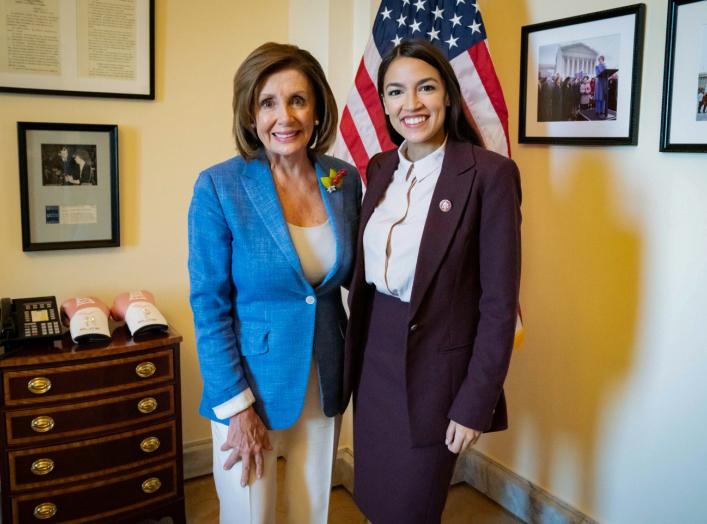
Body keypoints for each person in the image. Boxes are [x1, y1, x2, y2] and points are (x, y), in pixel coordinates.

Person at [344, 40, 521, 524]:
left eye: (426, 87)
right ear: (383, 103)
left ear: (448, 95)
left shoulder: (490, 175)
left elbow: (499, 304)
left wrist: (474, 403)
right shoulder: (380, 168)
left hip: (434, 375)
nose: (412, 104)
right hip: (373, 357)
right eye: (396, 92)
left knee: (413, 507)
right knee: (377, 501)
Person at [188, 42, 361, 524]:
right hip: (251, 388)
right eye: (268, 102)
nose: (284, 116)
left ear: (317, 109)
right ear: (250, 112)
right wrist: (237, 407)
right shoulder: (219, 186)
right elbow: (209, 304)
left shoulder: (343, 180)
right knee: (250, 516)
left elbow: (360, 280)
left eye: (298, 100)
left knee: (312, 511)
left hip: (324, 376)